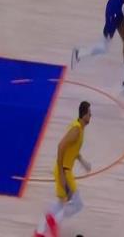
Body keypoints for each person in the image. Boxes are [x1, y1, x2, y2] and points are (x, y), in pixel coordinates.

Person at [34, 101, 92, 237]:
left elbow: (72, 149)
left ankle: (39, 232)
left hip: (64, 170)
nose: (91, 116)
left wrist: (83, 161)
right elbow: (61, 146)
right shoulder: (76, 130)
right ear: (84, 115)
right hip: (64, 171)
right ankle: (53, 221)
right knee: (77, 204)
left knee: (60, 203)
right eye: (89, 114)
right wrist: (61, 173)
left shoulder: (79, 128)